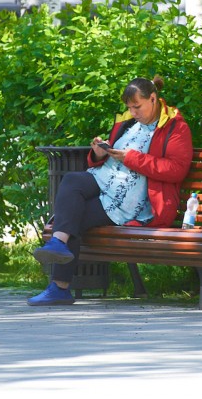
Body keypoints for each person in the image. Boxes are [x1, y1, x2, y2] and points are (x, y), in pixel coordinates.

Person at [28, 76, 193, 306]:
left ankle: (59, 287)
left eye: (137, 107)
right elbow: (107, 159)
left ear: (153, 99)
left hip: (130, 198)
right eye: (129, 107)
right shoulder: (127, 122)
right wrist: (99, 152)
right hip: (104, 179)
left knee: (74, 216)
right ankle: (58, 244)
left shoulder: (175, 126)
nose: (133, 112)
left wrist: (131, 158)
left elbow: (176, 170)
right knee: (71, 181)